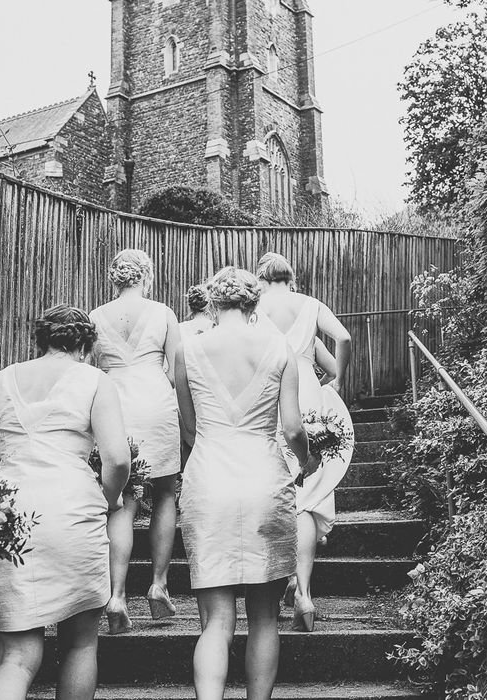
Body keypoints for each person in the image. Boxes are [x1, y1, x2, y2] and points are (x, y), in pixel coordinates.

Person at [0, 305, 130, 700]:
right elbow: (118, 459)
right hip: (73, 511)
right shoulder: (95, 380)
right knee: (80, 644)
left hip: (9, 521)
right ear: (86, 346)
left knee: (17, 658)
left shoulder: (2, 380)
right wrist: (105, 501)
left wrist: (3, 493)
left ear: (40, 341)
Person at [175, 267, 316, 700]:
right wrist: (308, 463)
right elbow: (292, 428)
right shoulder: (279, 347)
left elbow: (188, 426)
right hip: (263, 479)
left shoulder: (187, 350)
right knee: (264, 618)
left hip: (208, 477)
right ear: (254, 303)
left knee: (216, 620)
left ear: (213, 303)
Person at [256, 252, 353, 632]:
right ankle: (304, 593)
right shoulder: (310, 304)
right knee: (309, 494)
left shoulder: (254, 306)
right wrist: (339, 381)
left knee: (277, 489)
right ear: (290, 277)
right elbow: (343, 336)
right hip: (308, 393)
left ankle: (281, 581)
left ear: (261, 278)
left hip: (269, 394)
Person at [89, 249, 182, 633]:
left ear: (115, 279)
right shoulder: (163, 313)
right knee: (164, 493)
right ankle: (158, 585)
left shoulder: (95, 316)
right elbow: (178, 371)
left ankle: (116, 595)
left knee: (122, 502)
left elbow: (89, 370)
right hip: (156, 404)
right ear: (147, 277)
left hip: (114, 405)